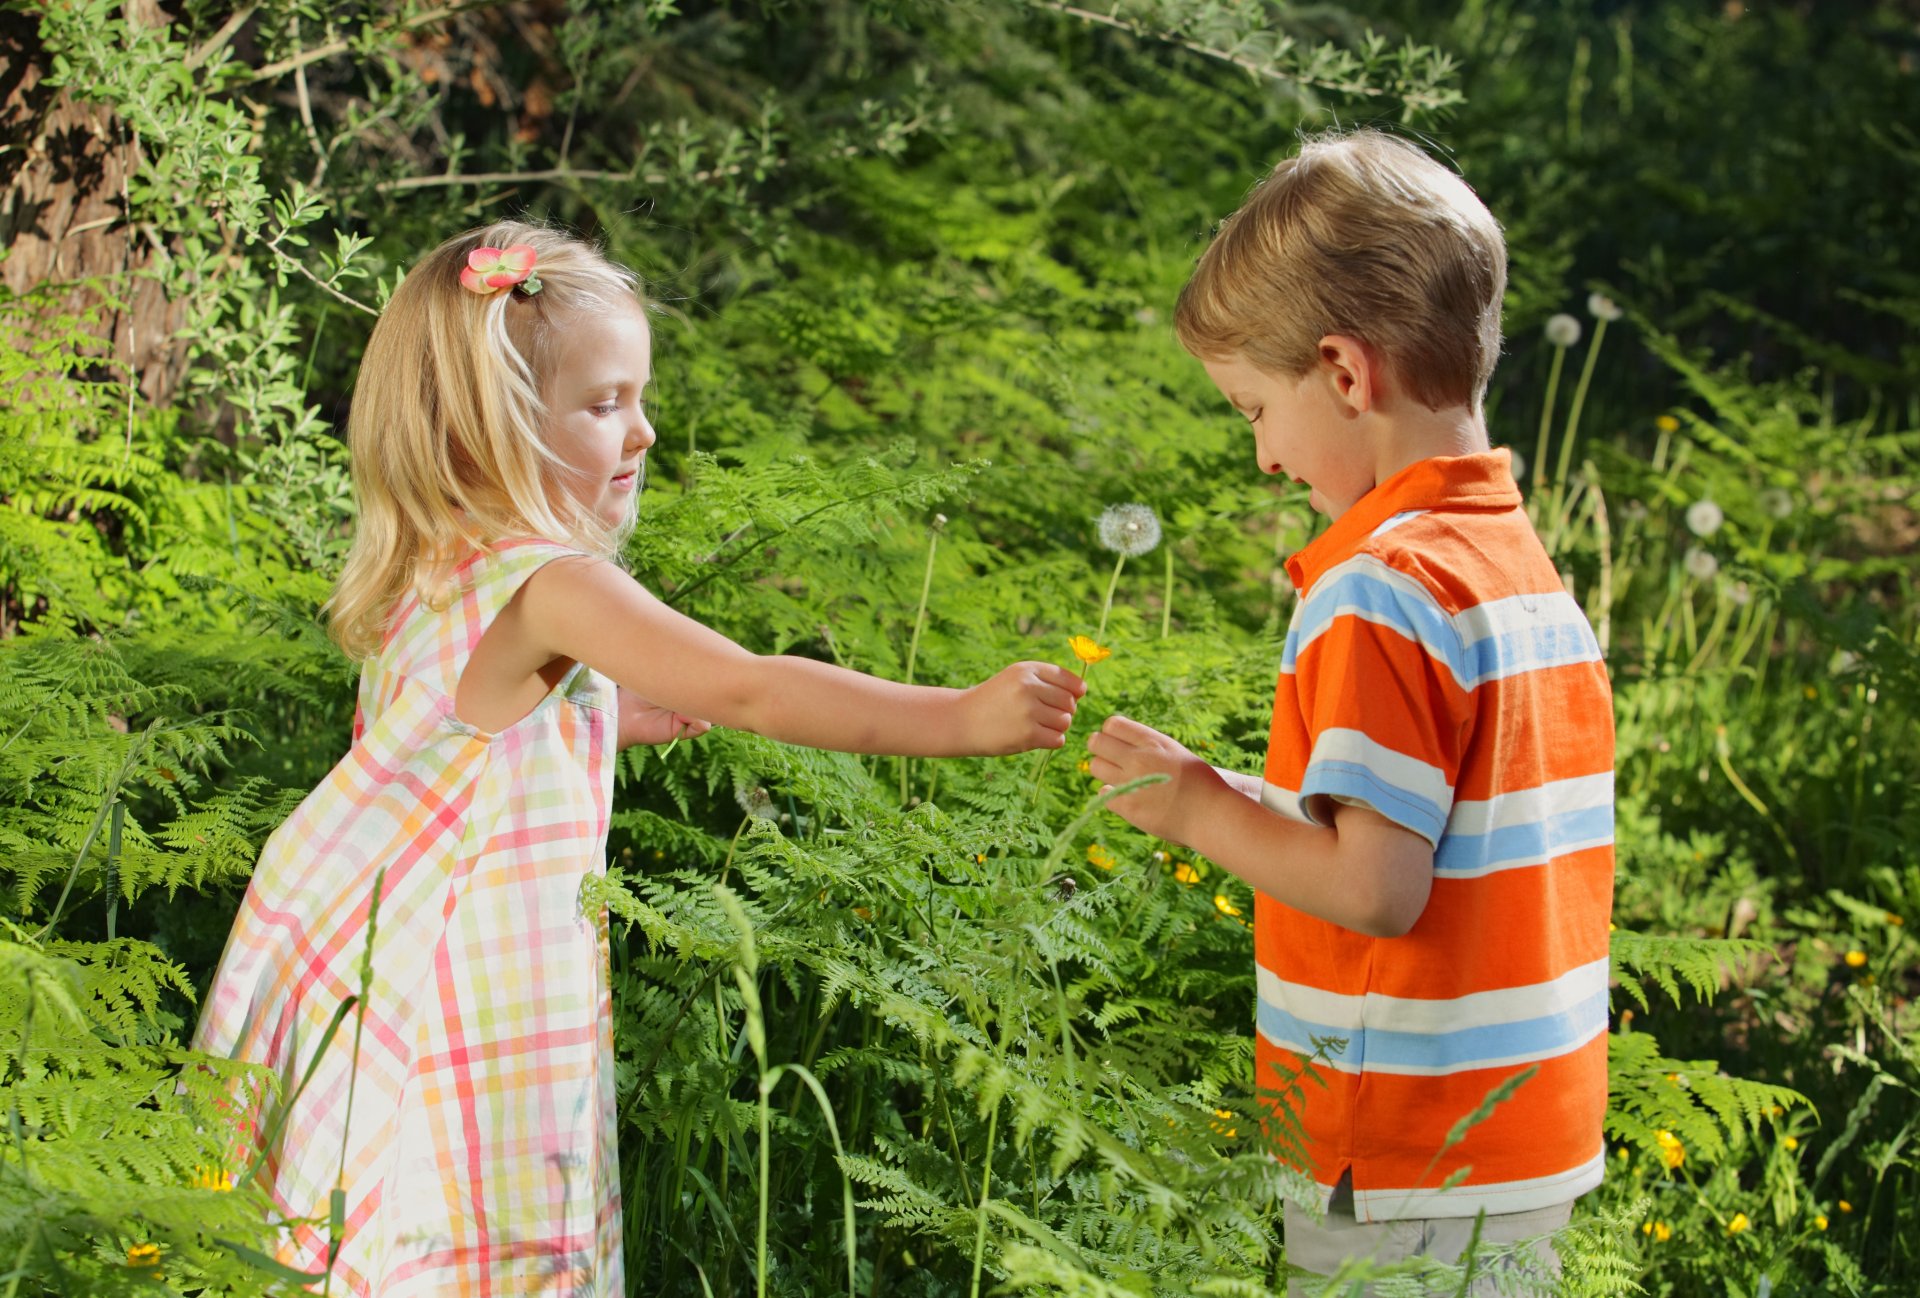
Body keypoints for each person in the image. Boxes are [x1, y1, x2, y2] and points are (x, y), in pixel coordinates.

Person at [191, 222, 1086, 1297]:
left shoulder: (433, 561)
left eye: (639, 396)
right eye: (605, 403)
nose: (644, 432)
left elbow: (446, 752)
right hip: (459, 1000)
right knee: (469, 1230)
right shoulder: (548, 580)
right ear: (493, 425)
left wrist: (598, 713)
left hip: (357, 960)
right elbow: (749, 682)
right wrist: (959, 715)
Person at [1085, 130, 1614, 1295]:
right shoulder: (1516, 564)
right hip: (1524, 1129)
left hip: (1407, 1151)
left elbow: (1378, 886)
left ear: (1342, 372)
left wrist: (1194, 805)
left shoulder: (1380, 587)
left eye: (1251, 410)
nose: (1264, 456)